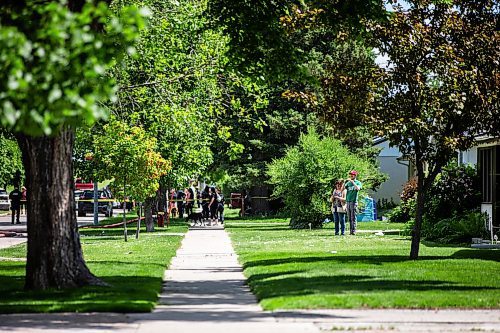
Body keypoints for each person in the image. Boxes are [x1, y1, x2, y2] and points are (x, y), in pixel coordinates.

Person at [344, 170, 362, 235]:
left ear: (355, 175)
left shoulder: (358, 182)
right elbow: (343, 189)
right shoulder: (348, 183)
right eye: (350, 174)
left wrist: (352, 182)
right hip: (348, 201)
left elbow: (358, 189)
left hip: (353, 201)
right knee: (349, 217)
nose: (351, 176)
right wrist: (345, 182)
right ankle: (350, 231)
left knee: (353, 217)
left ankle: (353, 231)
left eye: (352, 174)